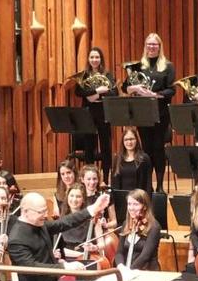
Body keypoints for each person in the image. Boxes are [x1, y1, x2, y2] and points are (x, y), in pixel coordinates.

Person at [124, 33, 175, 193]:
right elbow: (124, 87)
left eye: (155, 45)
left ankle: (159, 185)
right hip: (142, 113)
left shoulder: (167, 66)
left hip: (160, 113)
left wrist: (155, 95)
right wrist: (135, 88)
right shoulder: (138, 66)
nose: (151, 47)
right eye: (149, 44)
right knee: (146, 149)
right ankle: (148, 185)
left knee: (158, 148)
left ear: (159, 47)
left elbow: (172, 90)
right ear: (145, 47)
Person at [73, 47, 118, 183]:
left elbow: (114, 93)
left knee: (106, 147)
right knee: (89, 147)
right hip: (88, 114)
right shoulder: (84, 75)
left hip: (104, 113)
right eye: (92, 57)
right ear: (88, 59)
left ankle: (105, 179)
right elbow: (78, 92)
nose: (94, 60)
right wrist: (96, 91)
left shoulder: (107, 74)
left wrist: (95, 95)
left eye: (97, 57)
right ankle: (89, 179)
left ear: (101, 59)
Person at [111, 128, 152, 193]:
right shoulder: (117, 158)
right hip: (121, 198)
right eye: (126, 139)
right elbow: (114, 183)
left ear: (136, 140)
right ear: (123, 141)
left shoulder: (144, 158)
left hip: (138, 198)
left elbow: (148, 184)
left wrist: (146, 202)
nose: (129, 142)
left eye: (132, 139)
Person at [81, 164, 117, 230]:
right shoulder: (79, 196)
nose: (92, 182)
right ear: (82, 180)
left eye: (94, 179)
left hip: (100, 230)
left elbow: (114, 222)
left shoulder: (105, 195)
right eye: (88, 179)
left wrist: (106, 225)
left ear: (98, 179)